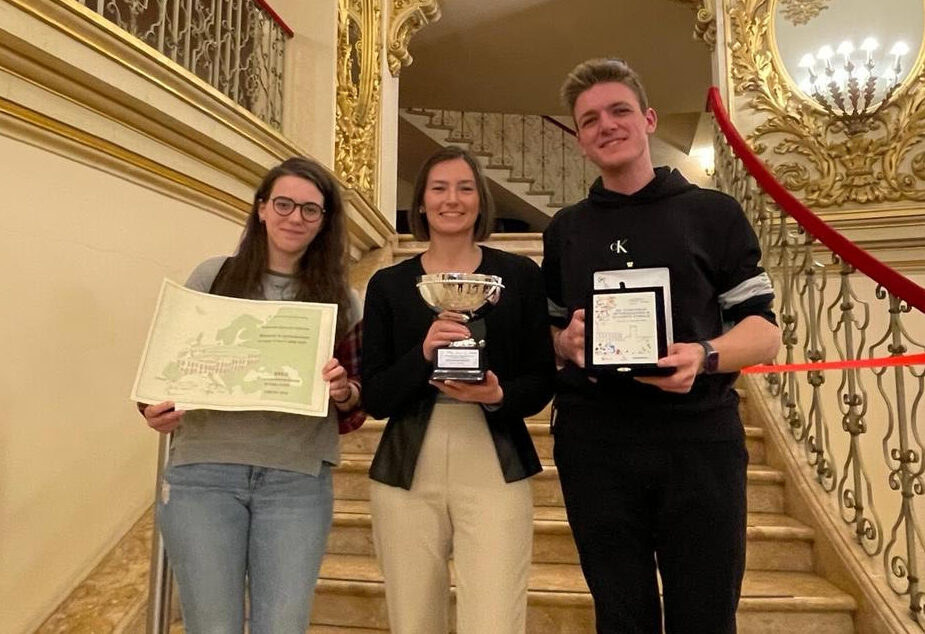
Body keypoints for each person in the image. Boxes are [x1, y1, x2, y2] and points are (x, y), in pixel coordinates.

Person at [543, 58, 781, 633]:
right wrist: (565, 343)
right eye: (590, 119)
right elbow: (547, 330)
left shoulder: (713, 212)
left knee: (705, 614)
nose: (607, 125)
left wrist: (705, 356)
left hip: (698, 442)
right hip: (594, 444)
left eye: (620, 110)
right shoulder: (564, 229)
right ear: (579, 141)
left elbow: (765, 332)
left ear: (648, 119)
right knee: (621, 617)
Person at [139, 157, 365, 634]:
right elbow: (164, 374)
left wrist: (343, 391)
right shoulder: (213, 277)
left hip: (297, 483)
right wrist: (154, 408)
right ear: (261, 209)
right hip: (203, 477)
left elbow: (354, 407)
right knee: (212, 627)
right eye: (283, 203)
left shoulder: (342, 299)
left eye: (310, 209)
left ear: (324, 222)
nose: (294, 217)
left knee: (283, 627)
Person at [361, 145, 556, 634]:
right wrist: (423, 353)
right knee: (412, 619)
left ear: (480, 200)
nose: (453, 199)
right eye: (439, 188)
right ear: (422, 204)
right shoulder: (389, 284)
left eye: (465, 188)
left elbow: (541, 379)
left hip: (494, 465)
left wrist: (496, 395)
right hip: (407, 467)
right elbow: (377, 396)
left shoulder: (518, 276)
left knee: (494, 620)